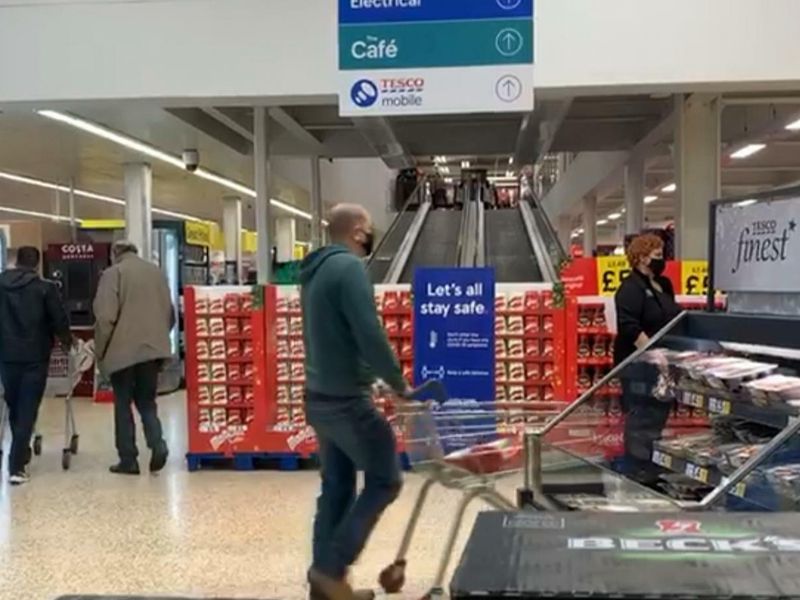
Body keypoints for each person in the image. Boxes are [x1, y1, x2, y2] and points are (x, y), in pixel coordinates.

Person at [300, 204, 408, 600]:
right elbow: (369, 333)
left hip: (319, 397)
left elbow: (338, 336)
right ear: (359, 231)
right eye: (370, 229)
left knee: (337, 486)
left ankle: (323, 589)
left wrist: (372, 376)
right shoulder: (349, 268)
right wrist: (399, 383)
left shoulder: (314, 272)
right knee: (385, 479)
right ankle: (330, 571)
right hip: (347, 401)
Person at [94, 240, 174, 476]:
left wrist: (101, 351)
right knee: (147, 402)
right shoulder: (156, 273)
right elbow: (169, 314)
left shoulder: (113, 273)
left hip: (123, 351)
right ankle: (157, 444)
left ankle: (128, 459)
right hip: (152, 350)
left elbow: (105, 317)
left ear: (114, 253)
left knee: (122, 404)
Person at [0, 246, 72, 485]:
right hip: (35, 357)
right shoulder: (45, 288)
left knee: (15, 405)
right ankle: (16, 465)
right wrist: (66, 341)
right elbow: (58, 319)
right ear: (37, 265)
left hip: (6, 355)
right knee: (28, 408)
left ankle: (22, 452)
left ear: (17, 261)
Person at [613, 233, 681, 484]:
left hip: (664, 362)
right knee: (641, 414)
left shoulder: (664, 284)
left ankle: (653, 465)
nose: (662, 261)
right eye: (657, 256)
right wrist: (653, 355)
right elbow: (629, 327)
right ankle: (638, 468)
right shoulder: (630, 288)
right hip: (638, 365)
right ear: (641, 258)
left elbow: (672, 318)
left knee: (659, 411)